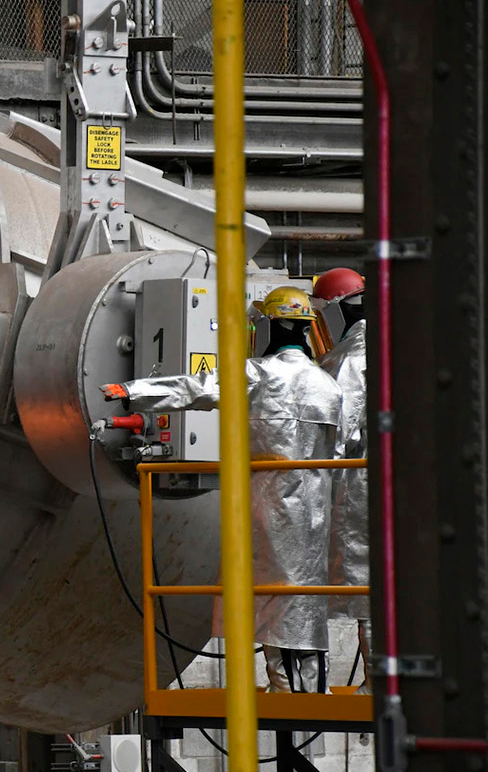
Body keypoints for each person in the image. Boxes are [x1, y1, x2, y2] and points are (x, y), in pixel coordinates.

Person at [101, 286, 342, 693]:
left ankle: (285, 689)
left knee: (268, 593)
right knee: (302, 597)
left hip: (267, 503)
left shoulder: (260, 375)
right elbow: (343, 450)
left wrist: (132, 392)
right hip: (316, 511)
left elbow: (198, 388)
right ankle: (309, 688)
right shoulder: (329, 386)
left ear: (270, 325)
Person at [314, 267, 370, 693]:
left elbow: (339, 431)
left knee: (367, 595)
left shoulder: (351, 358)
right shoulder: (400, 346)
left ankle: (376, 683)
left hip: (357, 488)